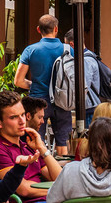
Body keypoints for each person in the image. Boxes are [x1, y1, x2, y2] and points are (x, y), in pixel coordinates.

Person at [0, 92, 62, 203]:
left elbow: (59, 178)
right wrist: (60, 192)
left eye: (23, 114)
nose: (22, 121)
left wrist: (42, 149)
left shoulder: (29, 146)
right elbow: (23, 189)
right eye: (13, 117)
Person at [14, 15, 72, 147]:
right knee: (63, 143)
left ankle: (38, 167)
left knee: (35, 141)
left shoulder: (31, 50)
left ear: (38, 30)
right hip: (62, 100)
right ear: (56, 29)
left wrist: (33, 85)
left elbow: (18, 81)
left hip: (38, 100)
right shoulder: (68, 50)